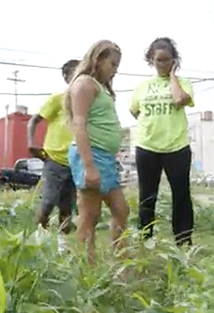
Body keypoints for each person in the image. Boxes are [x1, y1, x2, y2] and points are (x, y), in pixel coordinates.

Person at [63, 40, 129, 266]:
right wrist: (89, 166)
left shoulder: (100, 87)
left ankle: (120, 262)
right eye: (112, 64)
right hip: (91, 156)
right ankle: (86, 269)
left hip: (105, 158)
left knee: (121, 210)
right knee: (89, 216)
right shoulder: (84, 84)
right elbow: (79, 125)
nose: (115, 70)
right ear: (97, 59)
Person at [129, 37, 195, 247]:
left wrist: (173, 76)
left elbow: (179, 100)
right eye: (158, 60)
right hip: (147, 147)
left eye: (167, 60)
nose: (163, 64)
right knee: (147, 196)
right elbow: (135, 111)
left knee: (181, 196)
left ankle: (183, 241)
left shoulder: (183, 83)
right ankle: (146, 239)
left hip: (177, 147)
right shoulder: (142, 86)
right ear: (151, 60)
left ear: (174, 60)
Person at [27, 59, 80, 252]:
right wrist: (31, 143)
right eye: (75, 74)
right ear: (66, 78)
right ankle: (39, 238)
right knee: (48, 201)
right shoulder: (58, 98)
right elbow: (33, 121)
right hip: (54, 159)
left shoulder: (86, 101)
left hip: (75, 160)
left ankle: (62, 245)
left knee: (67, 206)